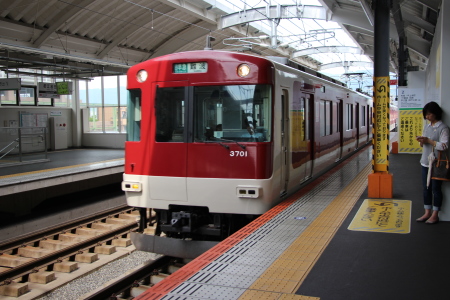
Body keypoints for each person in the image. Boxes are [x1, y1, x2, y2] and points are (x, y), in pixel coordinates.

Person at [416, 101, 449, 224]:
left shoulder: (443, 128)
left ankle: (435, 214)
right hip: (425, 161)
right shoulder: (427, 126)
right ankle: (427, 212)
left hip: (437, 163)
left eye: (429, 114)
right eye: (426, 114)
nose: (427, 117)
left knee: (436, 188)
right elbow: (425, 143)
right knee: (426, 188)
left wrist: (429, 141)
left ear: (435, 114)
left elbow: (444, 146)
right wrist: (421, 141)